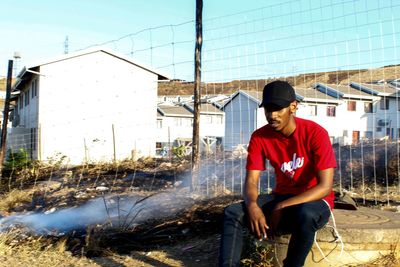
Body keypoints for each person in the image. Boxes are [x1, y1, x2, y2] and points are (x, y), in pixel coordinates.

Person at [219, 80, 336, 267]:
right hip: (282, 197)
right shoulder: (259, 137)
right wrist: (253, 206)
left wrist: (281, 206)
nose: (272, 115)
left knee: (305, 214)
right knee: (232, 213)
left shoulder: (316, 133)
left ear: (293, 107)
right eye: (268, 109)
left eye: (278, 109)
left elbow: (325, 187)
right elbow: (251, 181)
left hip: (313, 202)